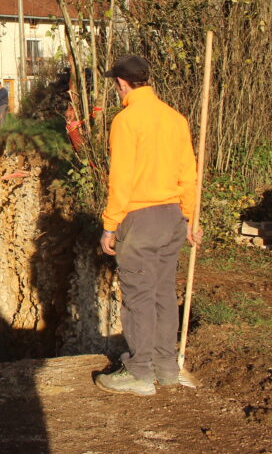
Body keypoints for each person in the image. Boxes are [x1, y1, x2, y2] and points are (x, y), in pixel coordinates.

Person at [96, 55, 198, 396]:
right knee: (164, 294)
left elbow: (121, 180)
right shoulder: (175, 119)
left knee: (138, 296)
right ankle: (167, 369)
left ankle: (139, 373)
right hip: (172, 218)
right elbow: (189, 174)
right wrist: (191, 217)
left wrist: (110, 225)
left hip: (140, 220)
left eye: (115, 84)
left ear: (122, 84)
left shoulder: (127, 120)